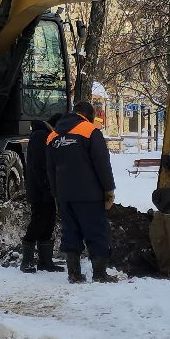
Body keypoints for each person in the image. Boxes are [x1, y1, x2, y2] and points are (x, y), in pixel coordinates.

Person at [46, 100, 118, 283]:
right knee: (96, 231)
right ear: (89, 116)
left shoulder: (52, 136)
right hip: (89, 195)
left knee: (70, 232)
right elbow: (101, 162)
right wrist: (109, 189)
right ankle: (100, 274)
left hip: (65, 196)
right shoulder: (89, 130)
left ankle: (74, 274)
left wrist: (56, 194)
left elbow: (50, 169)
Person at [19, 114, 64, 273]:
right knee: (38, 221)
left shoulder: (47, 135)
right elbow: (39, 166)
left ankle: (45, 261)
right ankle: (27, 261)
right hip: (40, 190)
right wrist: (47, 187)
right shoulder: (40, 136)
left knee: (48, 222)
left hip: (48, 189)